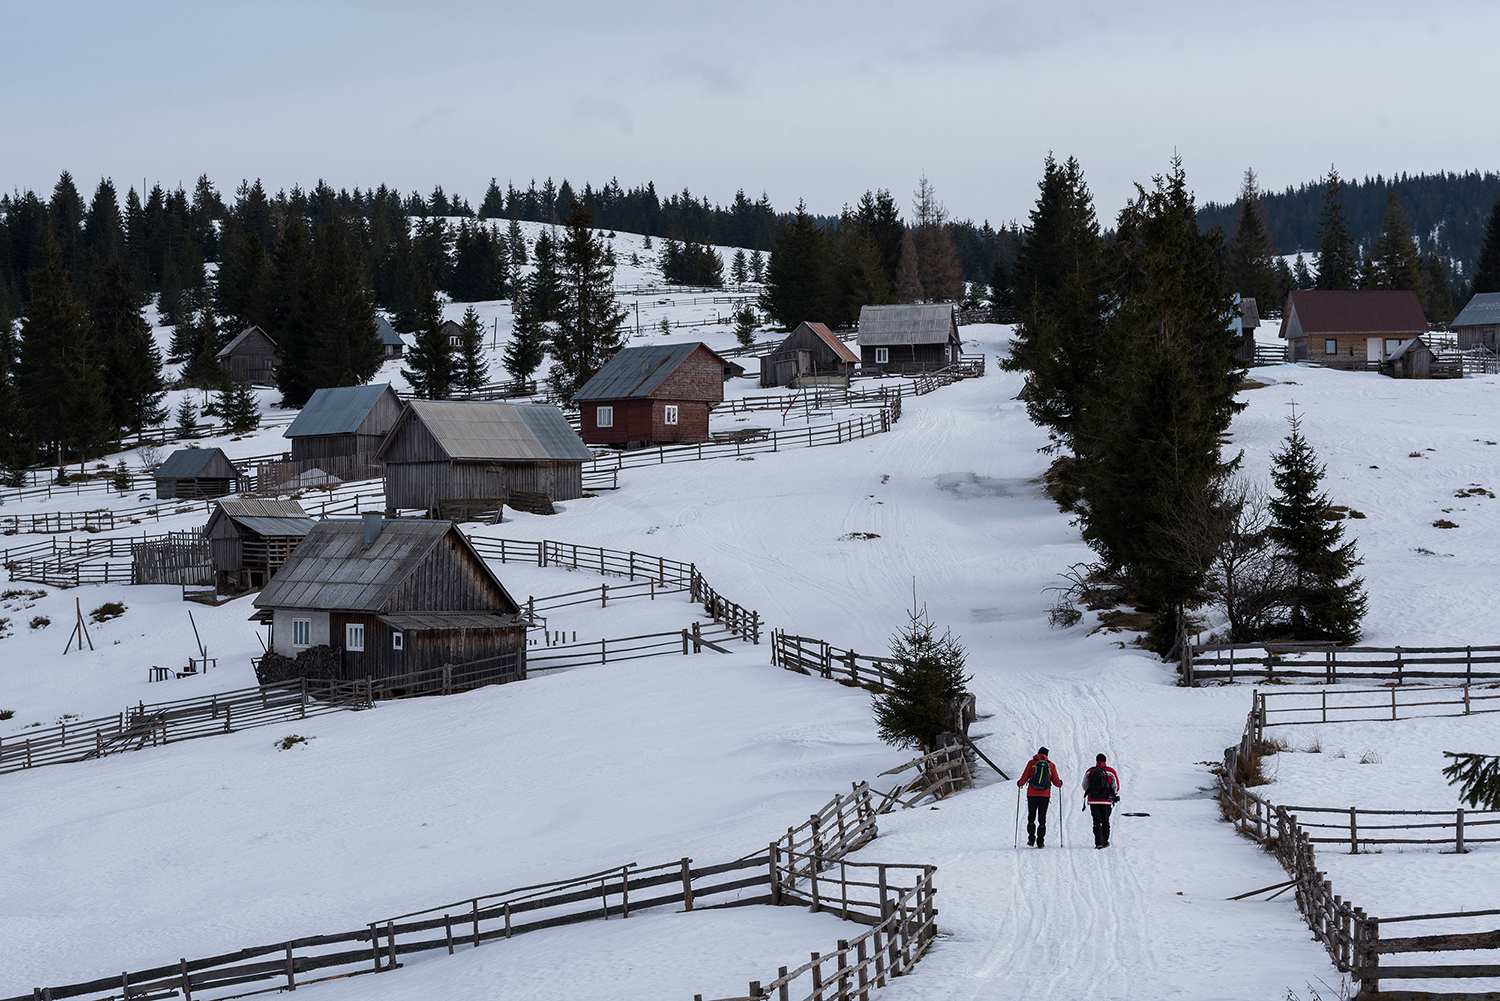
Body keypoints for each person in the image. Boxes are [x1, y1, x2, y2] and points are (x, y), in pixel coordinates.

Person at [1016, 746, 1063, 847]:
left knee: (1031, 817)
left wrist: (1020, 783)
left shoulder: (1031, 763)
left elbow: (1024, 777)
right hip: (1044, 796)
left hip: (1032, 794)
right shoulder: (1051, 765)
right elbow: (1056, 782)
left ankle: (1031, 839)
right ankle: (1040, 841)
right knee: (1042, 819)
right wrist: (1060, 784)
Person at [1083, 753, 1121, 849]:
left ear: (1096, 761)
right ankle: (1105, 841)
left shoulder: (1090, 771)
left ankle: (1098, 843)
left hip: (1093, 801)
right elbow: (1116, 787)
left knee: (1096, 821)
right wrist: (1112, 795)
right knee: (1105, 821)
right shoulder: (1110, 771)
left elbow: (1084, 785)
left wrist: (1092, 793)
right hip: (1106, 801)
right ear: (1105, 761)